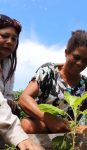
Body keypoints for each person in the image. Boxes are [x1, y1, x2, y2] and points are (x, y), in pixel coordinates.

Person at [18, 29, 87, 134]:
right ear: (66, 53)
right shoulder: (48, 71)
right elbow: (24, 98)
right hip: (42, 123)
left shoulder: (84, 84)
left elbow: (79, 113)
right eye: (76, 57)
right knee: (27, 125)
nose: (80, 63)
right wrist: (48, 119)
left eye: (85, 61)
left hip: (66, 127)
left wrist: (68, 126)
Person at [0, 14, 43, 150]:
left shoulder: (7, 65)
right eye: (4, 35)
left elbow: (6, 97)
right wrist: (23, 140)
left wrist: (11, 104)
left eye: (14, 39)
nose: (10, 41)